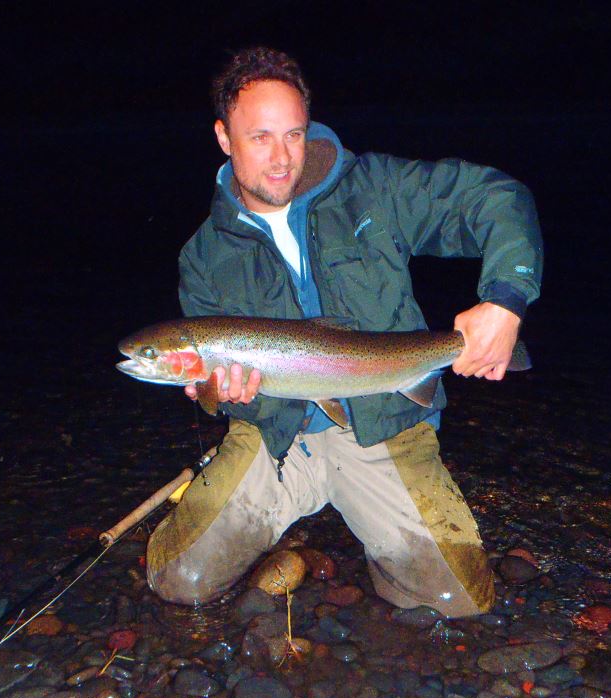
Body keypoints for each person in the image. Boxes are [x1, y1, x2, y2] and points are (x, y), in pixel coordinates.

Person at [145, 47, 542, 617]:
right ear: (224, 137)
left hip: (384, 423)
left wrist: (505, 303)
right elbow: (214, 399)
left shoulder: (374, 188)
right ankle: (296, 529)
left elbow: (500, 198)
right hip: (275, 439)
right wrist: (217, 394)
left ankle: (363, 537)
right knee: (179, 579)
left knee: (459, 601)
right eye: (260, 137)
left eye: (294, 134)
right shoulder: (204, 257)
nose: (282, 158)